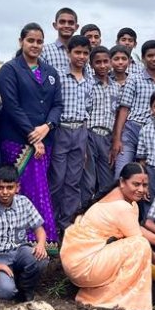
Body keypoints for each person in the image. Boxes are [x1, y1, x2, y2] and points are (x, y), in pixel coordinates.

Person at [60, 162, 155, 310]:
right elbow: (138, 238)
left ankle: (96, 295)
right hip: (84, 267)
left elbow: (135, 228)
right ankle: (118, 301)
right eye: (136, 184)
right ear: (122, 182)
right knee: (140, 246)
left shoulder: (124, 200)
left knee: (136, 242)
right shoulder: (122, 207)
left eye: (144, 185)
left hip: (83, 263)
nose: (141, 190)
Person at [0, 22, 62, 248]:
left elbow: (57, 104)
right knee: (18, 189)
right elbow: (11, 106)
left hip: (46, 139)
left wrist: (48, 126)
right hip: (17, 141)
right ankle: (19, 240)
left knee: (40, 187)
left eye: (39, 41)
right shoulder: (9, 70)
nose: (35, 45)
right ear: (21, 41)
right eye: (30, 40)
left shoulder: (51, 73)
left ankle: (44, 239)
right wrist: (34, 135)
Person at [0, 165, 49, 301]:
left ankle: (25, 288)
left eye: (9, 187)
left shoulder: (24, 202)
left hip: (20, 251)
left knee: (41, 259)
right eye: (0, 187)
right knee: (6, 292)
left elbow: (39, 229)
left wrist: (41, 244)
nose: (5, 192)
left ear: (17, 187)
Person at [49, 34, 92, 232]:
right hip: (62, 130)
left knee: (74, 181)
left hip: (80, 130)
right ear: (68, 53)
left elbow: (88, 107)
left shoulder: (89, 79)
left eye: (85, 53)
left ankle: (67, 225)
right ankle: (52, 222)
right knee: (57, 180)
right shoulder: (58, 75)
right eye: (77, 52)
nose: (81, 56)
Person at [111, 39, 155, 174]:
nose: (154, 58)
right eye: (150, 56)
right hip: (131, 130)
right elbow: (124, 109)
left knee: (149, 174)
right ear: (143, 58)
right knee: (122, 171)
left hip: (154, 133)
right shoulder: (134, 79)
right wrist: (117, 139)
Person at [81, 45, 119, 206]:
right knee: (88, 180)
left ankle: (103, 218)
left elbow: (116, 115)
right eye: (98, 62)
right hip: (89, 134)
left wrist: (115, 140)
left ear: (110, 62)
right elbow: (82, 111)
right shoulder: (87, 84)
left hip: (107, 138)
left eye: (105, 61)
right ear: (91, 65)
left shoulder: (116, 87)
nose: (102, 65)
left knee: (107, 182)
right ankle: (82, 216)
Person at [41, 7, 79, 74]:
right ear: (55, 25)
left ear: (76, 27)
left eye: (70, 23)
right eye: (62, 22)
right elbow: (37, 74)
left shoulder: (82, 53)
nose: (66, 26)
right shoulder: (44, 51)